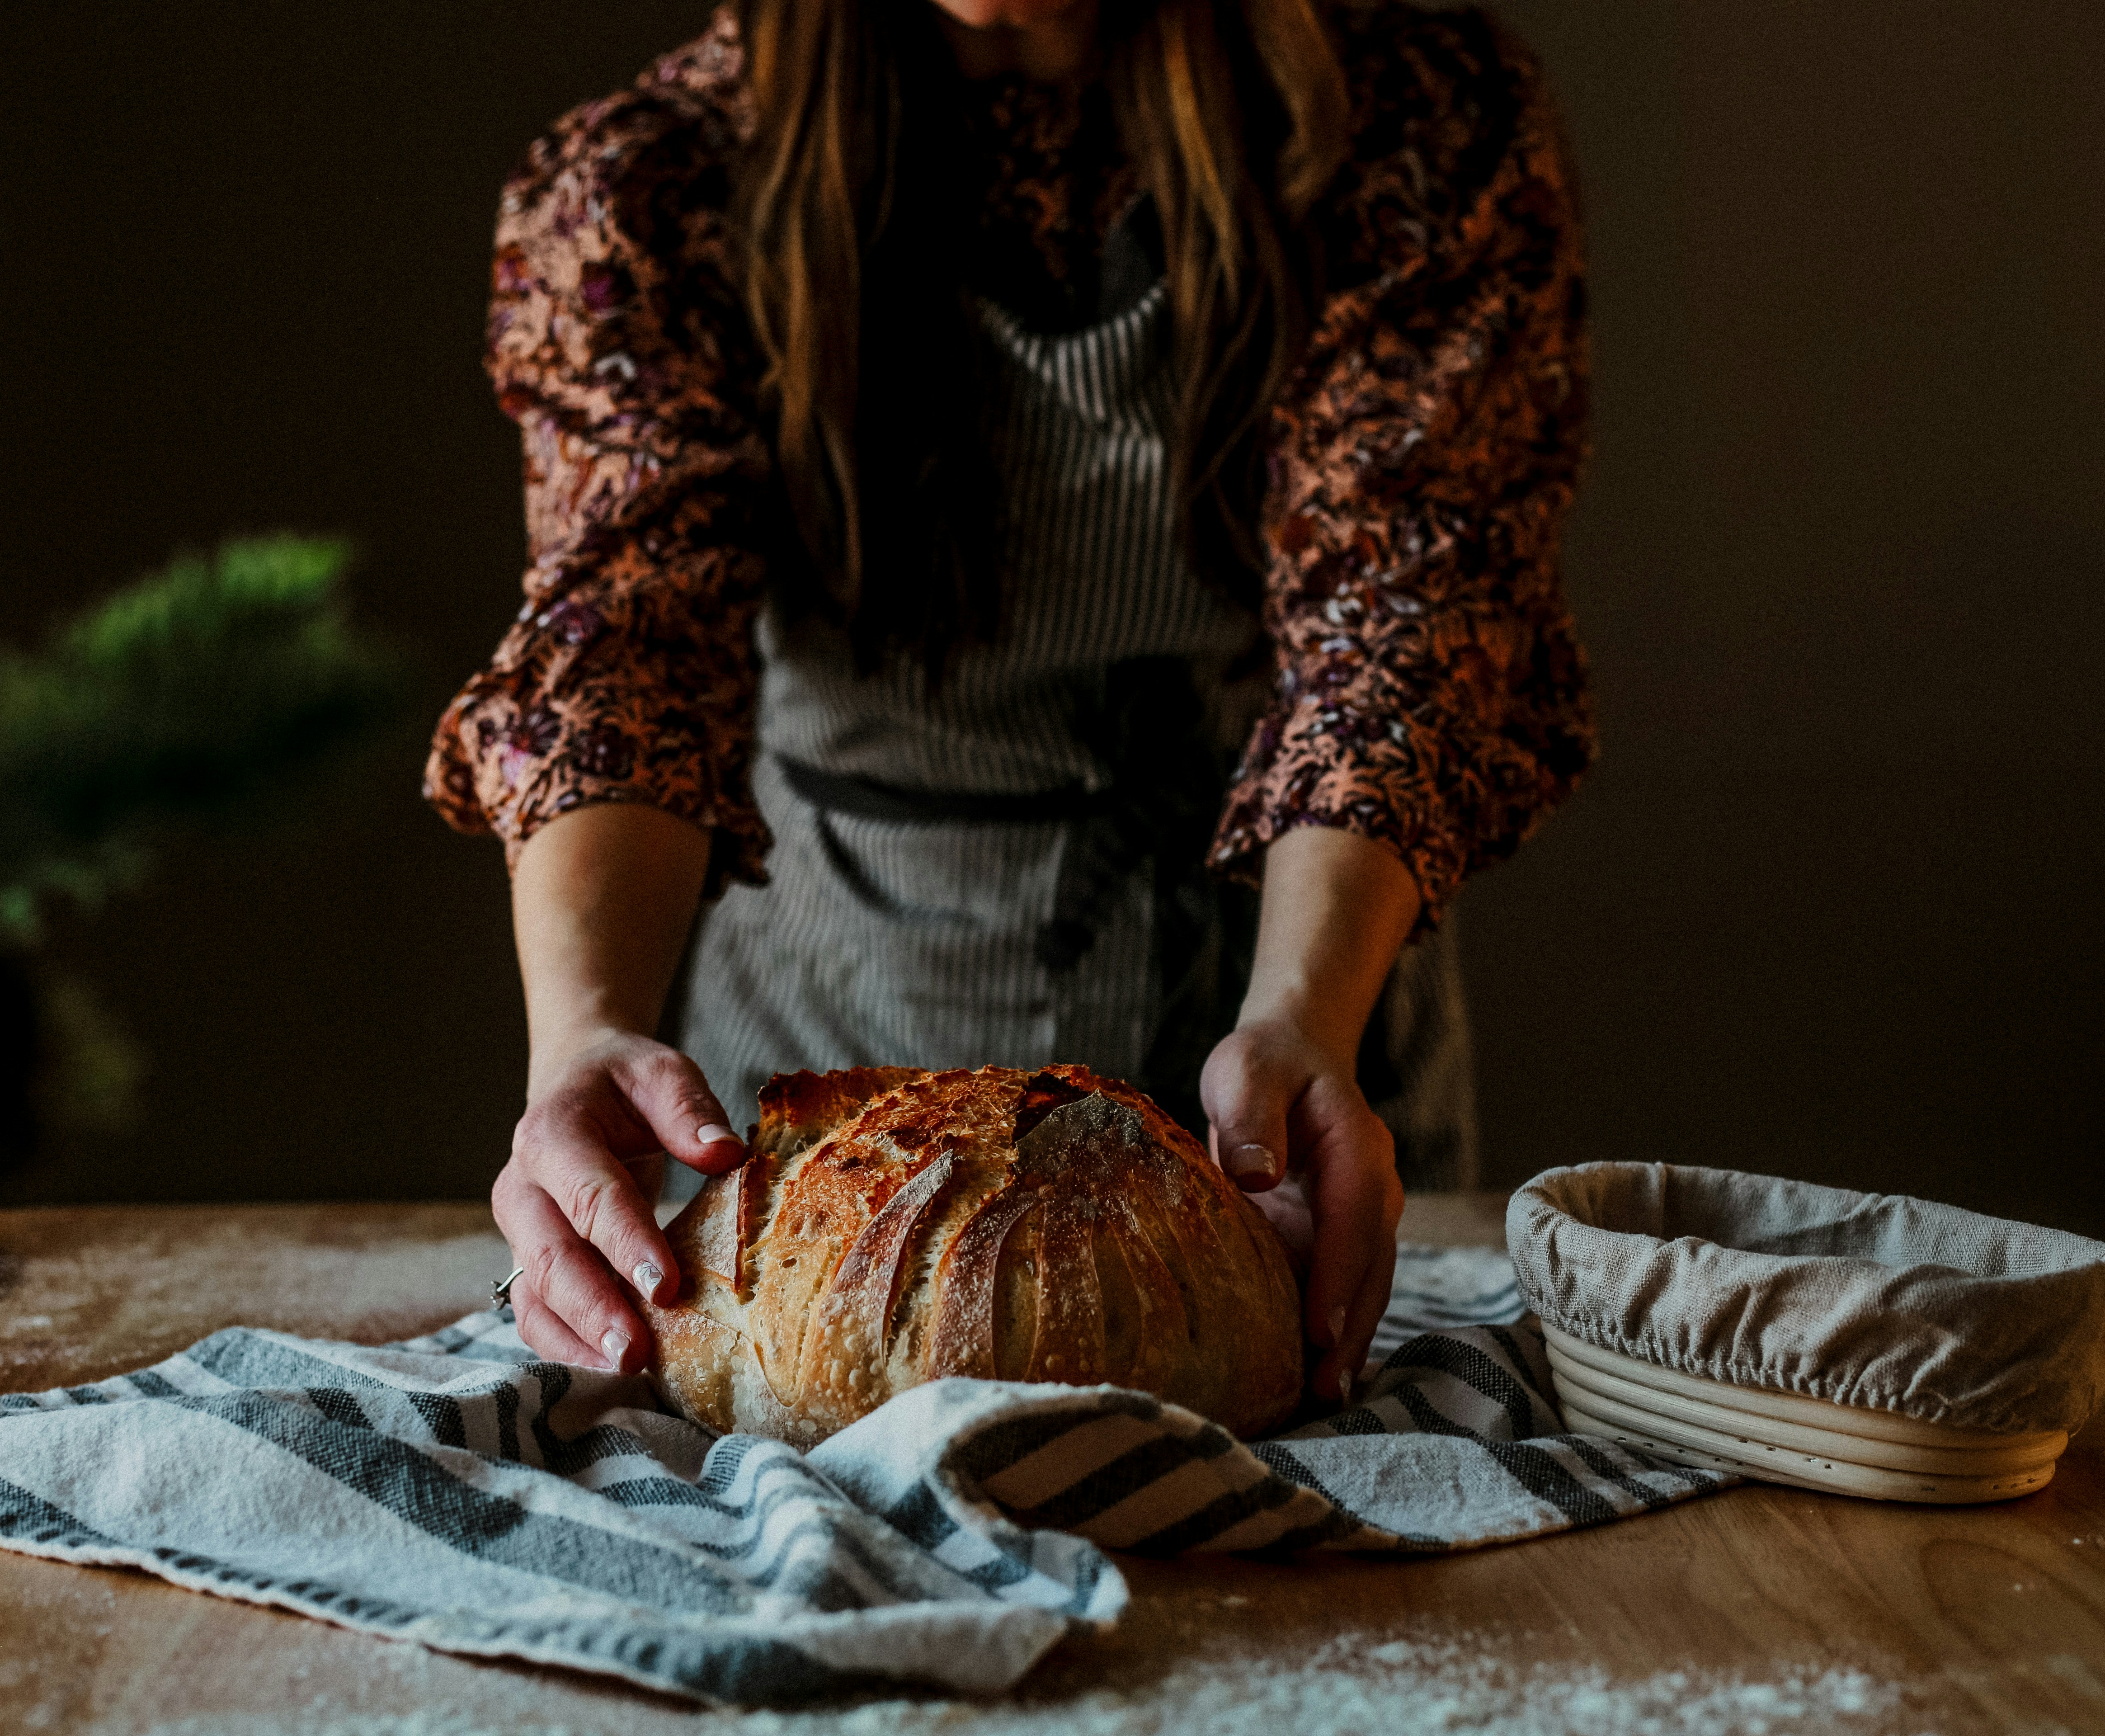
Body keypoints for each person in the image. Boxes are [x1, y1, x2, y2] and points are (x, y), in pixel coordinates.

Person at [427, 0, 1592, 1409]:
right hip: (827, 1060)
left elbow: (1401, 612)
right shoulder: (651, 185)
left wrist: (1302, 1017)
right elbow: (626, 634)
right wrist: (581, 1035)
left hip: (1291, 1021)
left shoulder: (1411, 119)